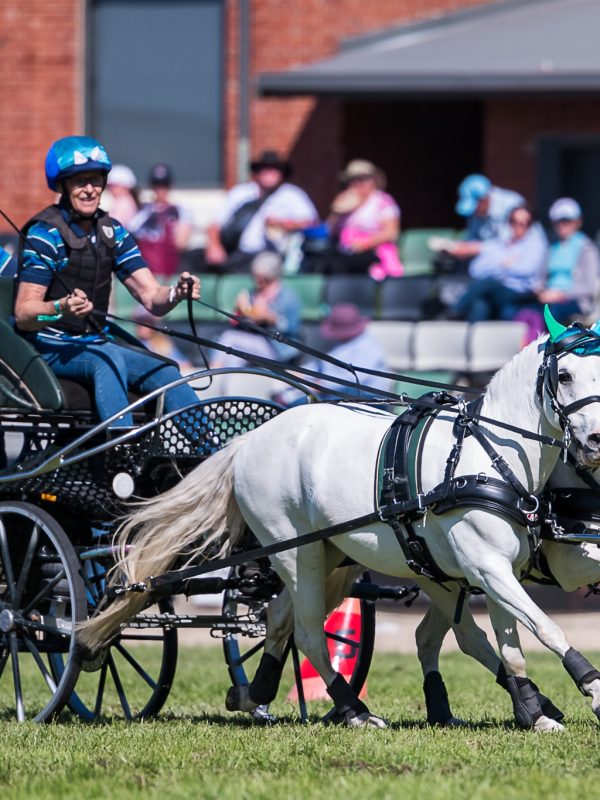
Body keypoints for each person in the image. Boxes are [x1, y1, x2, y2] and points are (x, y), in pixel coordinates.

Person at [14, 135, 201, 429]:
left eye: (96, 180)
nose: (90, 189)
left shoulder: (113, 232)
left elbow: (152, 298)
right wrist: (60, 308)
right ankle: (121, 448)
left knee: (165, 370)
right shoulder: (44, 235)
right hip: (47, 345)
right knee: (107, 357)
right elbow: (25, 315)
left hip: (94, 342)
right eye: (80, 181)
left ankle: (210, 451)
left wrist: (176, 293)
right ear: (62, 186)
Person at [204, 150, 318, 273]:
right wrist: (214, 246)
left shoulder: (291, 194)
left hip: (274, 255)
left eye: (274, 169)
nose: (269, 172)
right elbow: (215, 224)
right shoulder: (241, 193)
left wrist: (284, 224)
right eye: (264, 168)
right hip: (238, 253)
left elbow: (312, 222)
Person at [451, 204, 547, 323]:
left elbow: (526, 270)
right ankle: (472, 331)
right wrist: (504, 265)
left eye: (523, 223)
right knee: (481, 302)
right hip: (499, 289)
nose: (517, 226)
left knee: (488, 283)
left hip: (520, 292)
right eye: (513, 221)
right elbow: (476, 269)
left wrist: (499, 266)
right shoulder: (501, 242)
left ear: (530, 225)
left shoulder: (536, 244)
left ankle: (454, 312)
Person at [211, 251, 301, 373]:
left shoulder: (288, 297)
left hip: (277, 348)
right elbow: (237, 324)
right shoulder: (252, 294)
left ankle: (214, 373)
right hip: (253, 342)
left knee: (230, 338)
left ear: (272, 276)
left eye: (262, 278)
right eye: (255, 276)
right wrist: (240, 312)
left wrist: (272, 318)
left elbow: (292, 328)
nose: (257, 280)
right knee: (233, 355)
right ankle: (225, 380)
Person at [318, 159, 402, 280]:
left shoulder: (383, 201)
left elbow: (391, 232)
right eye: (353, 180)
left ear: (373, 181)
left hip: (373, 252)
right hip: (344, 252)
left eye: (362, 179)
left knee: (341, 265)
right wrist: (337, 211)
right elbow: (330, 231)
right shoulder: (345, 202)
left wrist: (364, 244)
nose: (357, 183)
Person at [536, 198, 600, 323]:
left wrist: (560, 294)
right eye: (558, 221)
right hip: (549, 299)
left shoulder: (586, 248)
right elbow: (542, 278)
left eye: (567, 220)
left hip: (575, 302)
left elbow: (588, 286)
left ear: (578, 222)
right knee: (521, 311)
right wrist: (540, 291)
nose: (562, 224)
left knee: (552, 314)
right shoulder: (551, 247)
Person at [129, 163, 193, 279]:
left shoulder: (179, 210)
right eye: (156, 185)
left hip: (170, 268)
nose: (160, 190)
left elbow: (181, 243)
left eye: (164, 185)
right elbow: (131, 233)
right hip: (146, 268)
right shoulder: (144, 211)